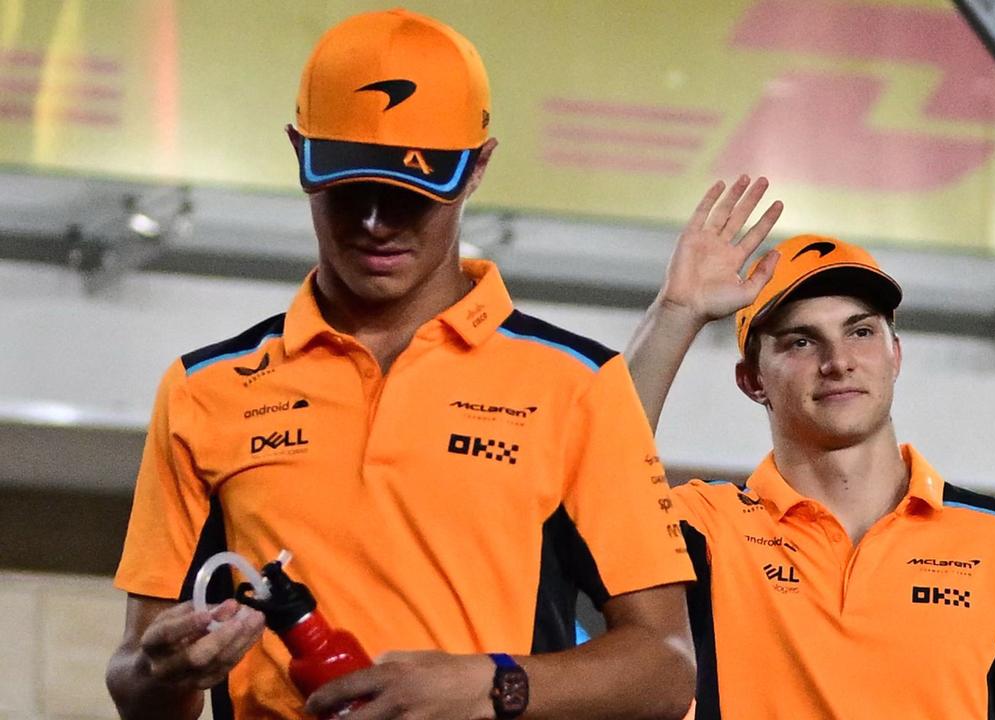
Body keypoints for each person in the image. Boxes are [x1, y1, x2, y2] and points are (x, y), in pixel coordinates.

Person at [106, 9, 695, 719]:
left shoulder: (577, 385)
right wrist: (164, 667)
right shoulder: (205, 390)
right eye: (351, 189)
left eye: (412, 194)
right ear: (299, 155)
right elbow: (139, 686)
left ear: (478, 166)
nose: (377, 223)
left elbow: (666, 668)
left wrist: (487, 686)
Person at [627, 177, 995, 719]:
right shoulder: (709, 529)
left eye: (861, 332)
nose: (838, 360)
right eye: (801, 341)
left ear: (896, 355)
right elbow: (601, 476)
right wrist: (676, 311)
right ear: (752, 379)